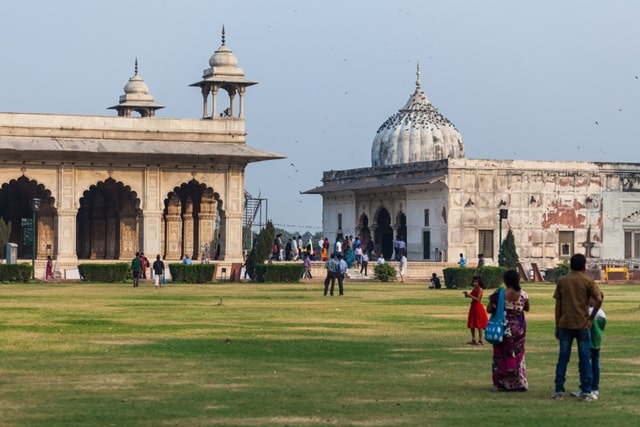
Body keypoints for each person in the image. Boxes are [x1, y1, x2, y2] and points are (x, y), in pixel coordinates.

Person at [552, 253, 602, 401]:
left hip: (565, 324)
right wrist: (591, 318)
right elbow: (599, 299)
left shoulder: (563, 281)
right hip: (582, 324)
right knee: (585, 358)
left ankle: (559, 390)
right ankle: (586, 390)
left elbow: (558, 305)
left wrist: (557, 325)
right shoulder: (588, 281)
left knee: (563, 358)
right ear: (584, 266)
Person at [487, 270, 530, 391]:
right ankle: (518, 382)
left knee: (500, 354)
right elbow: (527, 308)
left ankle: (500, 382)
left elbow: (489, 309)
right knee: (517, 353)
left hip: (503, 328)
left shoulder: (499, 294)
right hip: (518, 328)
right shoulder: (523, 294)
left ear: (505, 281)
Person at [571, 292, 606, 399]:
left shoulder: (590, 313)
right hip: (597, 343)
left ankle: (585, 387)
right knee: (596, 365)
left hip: (588, 344)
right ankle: (595, 388)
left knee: (584, 366)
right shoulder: (602, 314)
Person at [463, 276, 488, 345]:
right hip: (473, 307)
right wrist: (467, 294)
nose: (474, 283)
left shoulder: (480, 289)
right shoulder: (475, 289)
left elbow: (477, 299)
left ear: (479, 282)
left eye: (476, 282)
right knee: (472, 323)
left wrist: (470, 295)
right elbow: (471, 296)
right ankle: (473, 339)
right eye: (473, 282)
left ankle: (480, 340)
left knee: (479, 324)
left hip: (478, 307)